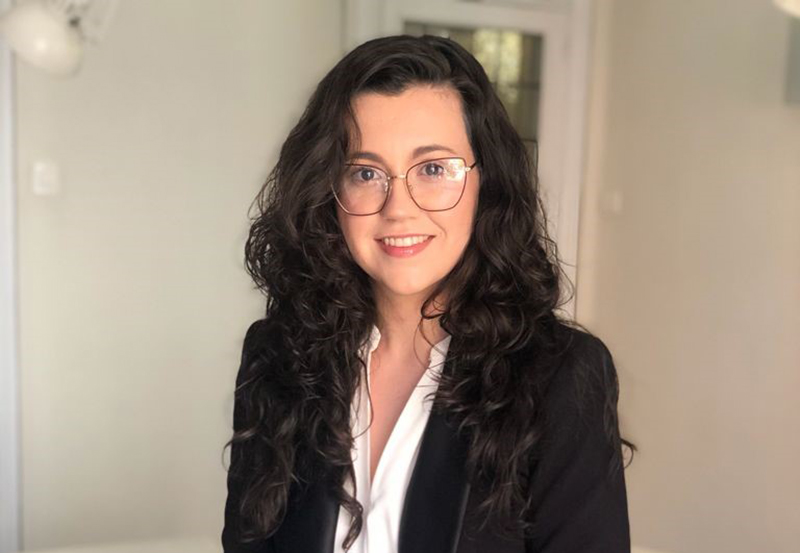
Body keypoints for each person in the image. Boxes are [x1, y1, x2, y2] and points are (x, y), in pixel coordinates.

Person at [222, 34, 634, 553]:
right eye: (366, 173)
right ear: (329, 192)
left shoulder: (561, 376)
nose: (399, 208)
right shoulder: (279, 354)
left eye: (434, 169)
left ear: (486, 184)